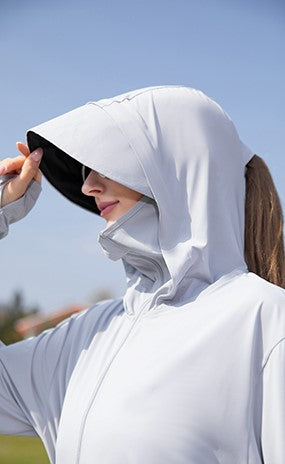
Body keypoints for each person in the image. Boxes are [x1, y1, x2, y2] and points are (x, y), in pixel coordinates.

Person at [0, 85, 284, 464]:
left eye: (105, 164)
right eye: (84, 170)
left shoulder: (264, 320)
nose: (87, 185)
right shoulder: (91, 332)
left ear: (175, 167)